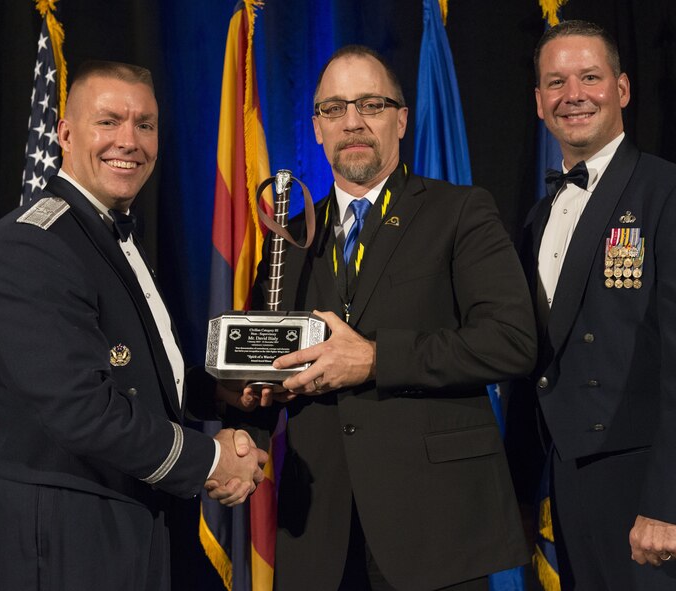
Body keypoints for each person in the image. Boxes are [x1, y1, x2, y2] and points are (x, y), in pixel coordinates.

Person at [225, 45, 537, 590]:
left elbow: (510, 342)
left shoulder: (460, 211)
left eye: (371, 104)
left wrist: (374, 358)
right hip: (320, 534)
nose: (353, 122)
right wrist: (245, 427)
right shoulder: (289, 239)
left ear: (401, 120)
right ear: (317, 128)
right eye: (334, 109)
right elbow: (267, 362)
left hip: (434, 530)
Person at [0, 61, 267, 591]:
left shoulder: (109, 235)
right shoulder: (31, 244)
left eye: (145, 124)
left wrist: (216, 393)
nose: (128, 141)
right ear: (64, 132)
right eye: (108, 121)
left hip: (131, 517)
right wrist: (211, 460)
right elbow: (82, 408)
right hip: (63, 533)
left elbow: (137, 373)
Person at [518, 20, 676, 589]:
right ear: (539, 100)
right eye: (556, 82)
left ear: (621, 90)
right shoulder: (538, 219)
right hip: (571, 489)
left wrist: (673, 502)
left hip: (655, 489)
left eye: (589, 77)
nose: (573, 95)